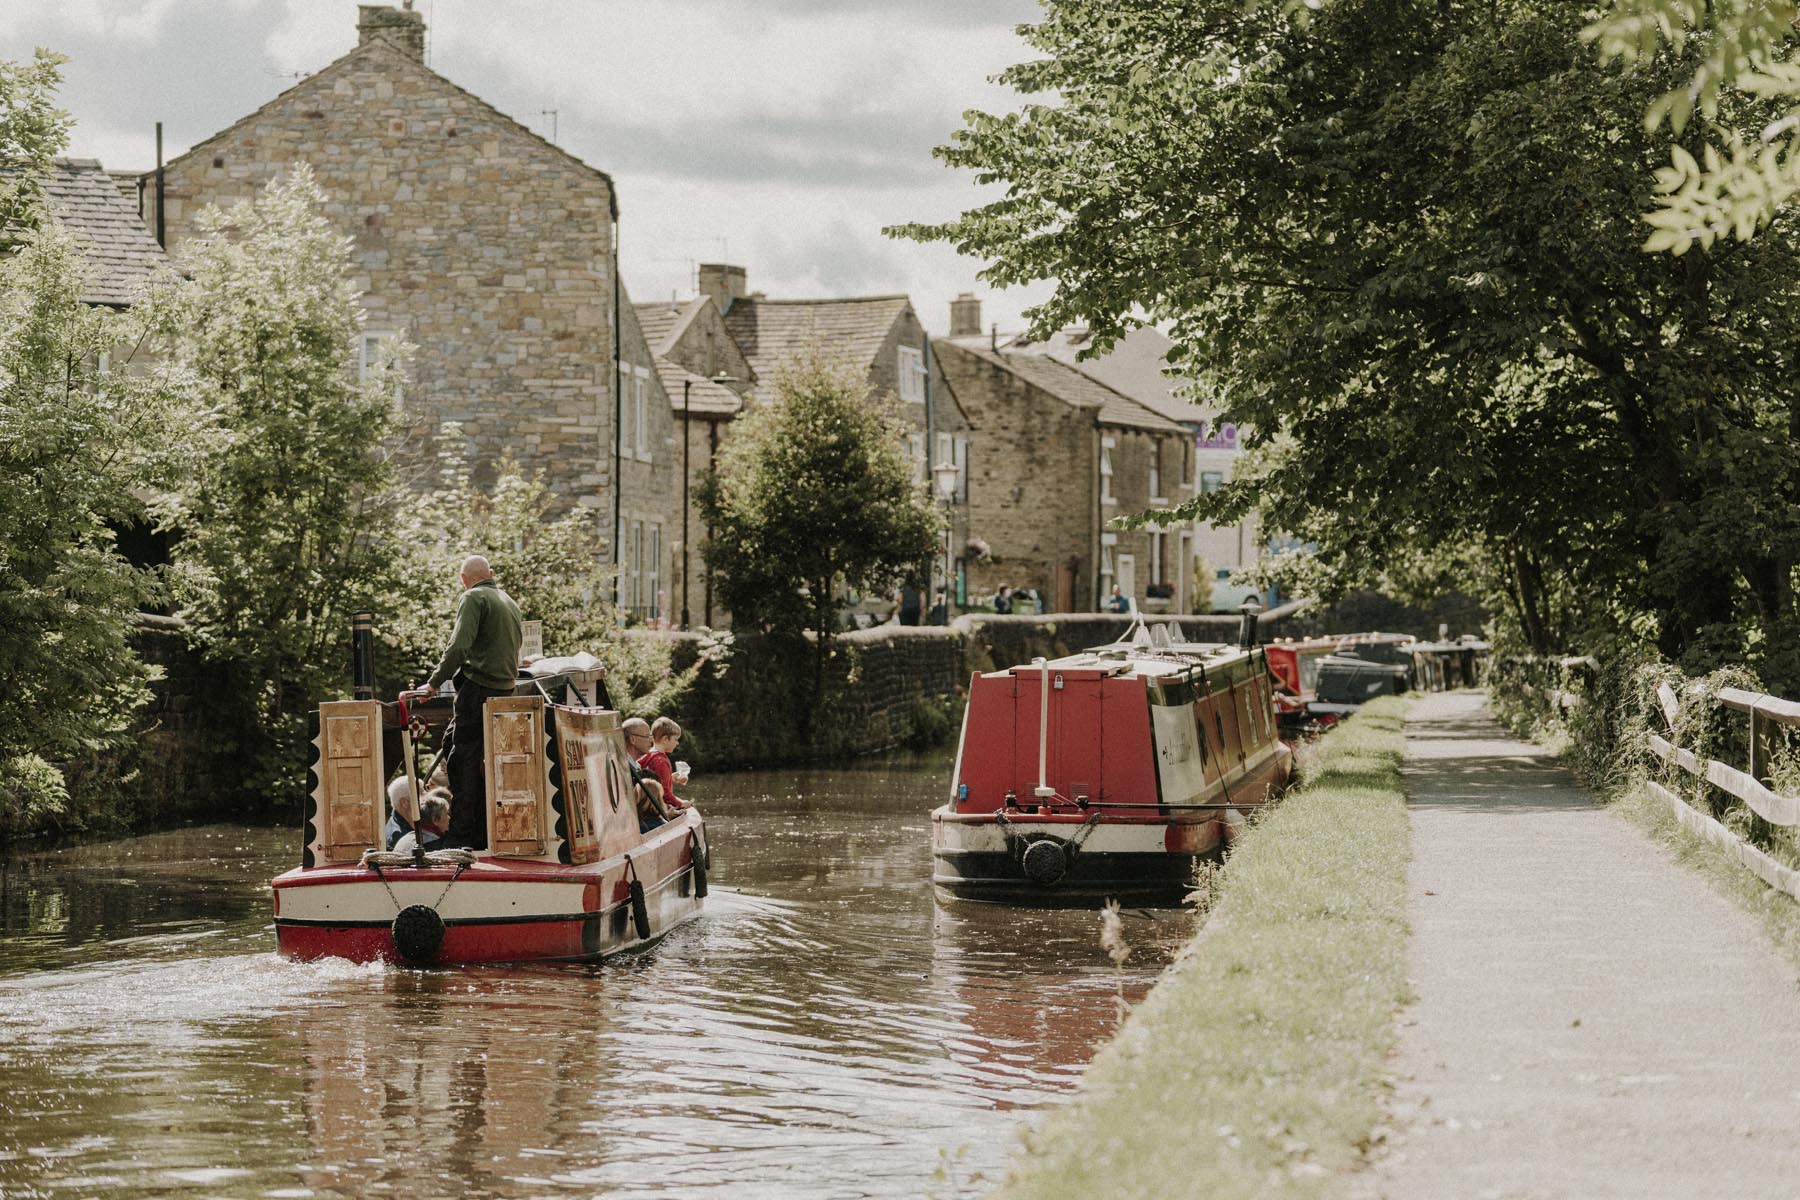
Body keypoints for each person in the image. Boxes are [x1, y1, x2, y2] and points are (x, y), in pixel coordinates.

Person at [402, 555, 523, 850]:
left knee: (461, 761)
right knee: (455, 746)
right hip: (503, 690)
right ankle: (482, 827)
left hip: (478, 688)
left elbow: (459, 645)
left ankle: (463, 834)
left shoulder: (473, 597)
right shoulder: (508, 600)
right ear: (490, 574)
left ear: (463, 578)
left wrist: (433, 683)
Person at [622, 717, 676, 832]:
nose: (651, 741)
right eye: (647, 737)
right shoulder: (623, 768)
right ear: (632, 739)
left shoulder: (635, 766)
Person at [636, 716, 689, 811]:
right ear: (665, 739)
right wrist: (681, 803)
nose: (677, 743)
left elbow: (655, 781)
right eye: (675, 739)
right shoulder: (661, 761)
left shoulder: (648, 755)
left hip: (646, 807)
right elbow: (664, 793)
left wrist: (671, 778)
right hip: (658, 809)